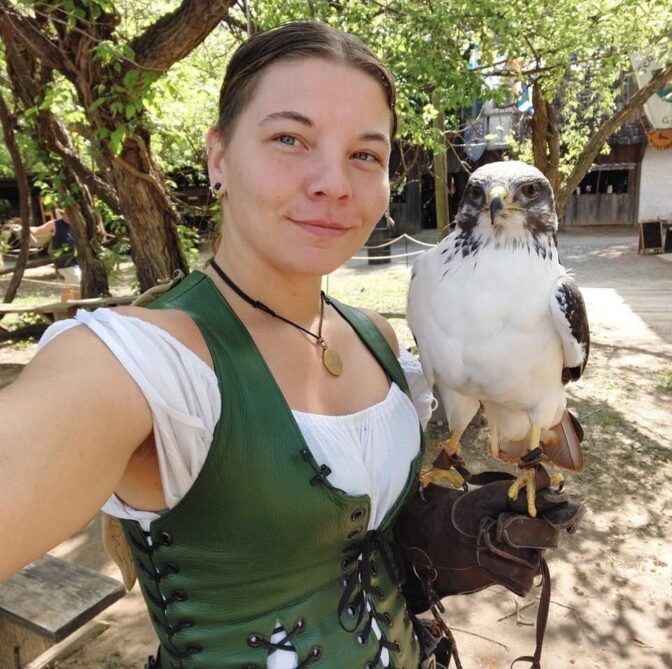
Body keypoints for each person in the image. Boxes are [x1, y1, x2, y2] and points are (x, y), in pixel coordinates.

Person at [0, 21, 437, 668]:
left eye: (365, 155)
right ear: (219, 158)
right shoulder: (145, 365)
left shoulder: (375, 334)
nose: (333, 182)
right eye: (290, 138)